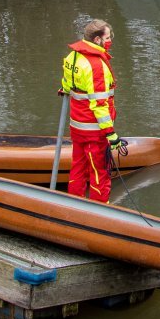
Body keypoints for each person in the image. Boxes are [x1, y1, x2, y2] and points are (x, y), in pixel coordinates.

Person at [61, 19, 119, 203]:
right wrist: (110, 133)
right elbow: (99, 104)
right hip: (94, 129)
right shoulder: (96, 66)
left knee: (78, 166)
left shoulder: (73, 57)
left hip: (77, 126)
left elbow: (67, 85)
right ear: (97, 40)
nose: (110, 41)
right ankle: (100, 209)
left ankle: (74, 203)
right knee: (99, 171)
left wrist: (63, 90)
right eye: (107, 38)